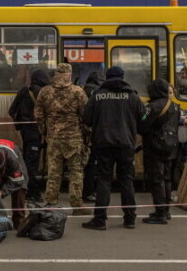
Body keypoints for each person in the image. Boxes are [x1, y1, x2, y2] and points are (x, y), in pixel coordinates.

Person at [82, 66, 146, 230]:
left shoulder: (97, 95)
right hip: (126, 144)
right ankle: (130, 219)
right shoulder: (132, 95)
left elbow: (86, 119)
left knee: (103, 180)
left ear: (107, 78)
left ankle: (100, 220)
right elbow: (144, 117)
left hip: (103, 144)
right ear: (123, 77)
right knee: (126, 180)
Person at [34, 63, 89, 214]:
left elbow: (38, 115)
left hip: (54, 137)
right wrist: (85, 134)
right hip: (74, 138)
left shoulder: (45, 92)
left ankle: (51, 203)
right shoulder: (78, 92)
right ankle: (77, 205)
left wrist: (45, 131)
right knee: (76, 172)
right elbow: (86, 115)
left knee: (54, 172)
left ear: (56, 74)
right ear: (69, 75)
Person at [139, 79, 180, 225]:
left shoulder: (153, 106)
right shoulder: (175, 106)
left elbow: (142, 125)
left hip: (155, 146)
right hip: (171, 146)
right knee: (167, 178)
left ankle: (160, 212)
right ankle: (166, 210)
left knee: (156, 179)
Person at [8, 69, 50, 202]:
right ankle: (32, 193)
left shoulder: (23, 90)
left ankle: (25, 190)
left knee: (26, 162)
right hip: (35, 131)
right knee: (32, 164)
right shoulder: (42, 92)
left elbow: (11, 110)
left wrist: (21, 123)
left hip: (25, 131)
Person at [82, 71, 106, 203]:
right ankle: (89, 191)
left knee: (86, 163)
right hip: (95, 133)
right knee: (93, 164)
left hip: (82, 132)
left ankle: (87, 190)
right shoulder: (98, 93)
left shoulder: (82, 90)